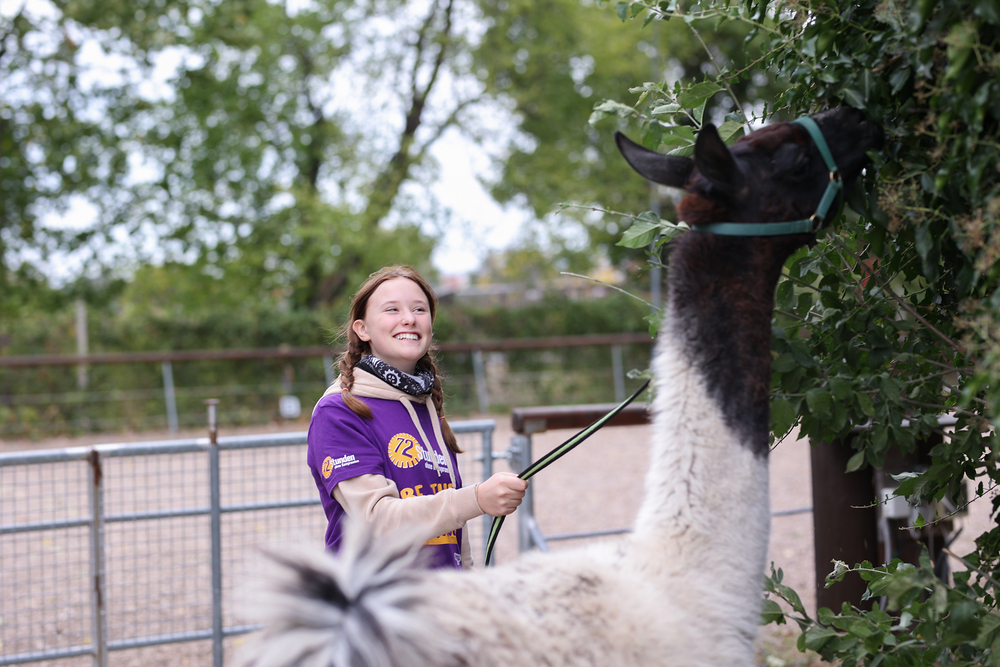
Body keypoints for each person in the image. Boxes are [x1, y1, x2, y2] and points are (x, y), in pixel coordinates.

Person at [307, 265, 529, 570]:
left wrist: (466, 579)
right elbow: (377, 519)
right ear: (363, 329)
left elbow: (450, 532)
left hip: (440, 594)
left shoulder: (426, 403)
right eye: (392, 309)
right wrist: (476, 499)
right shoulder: (338, 411)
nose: (409, 319)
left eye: (419, 309)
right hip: (373, 596)